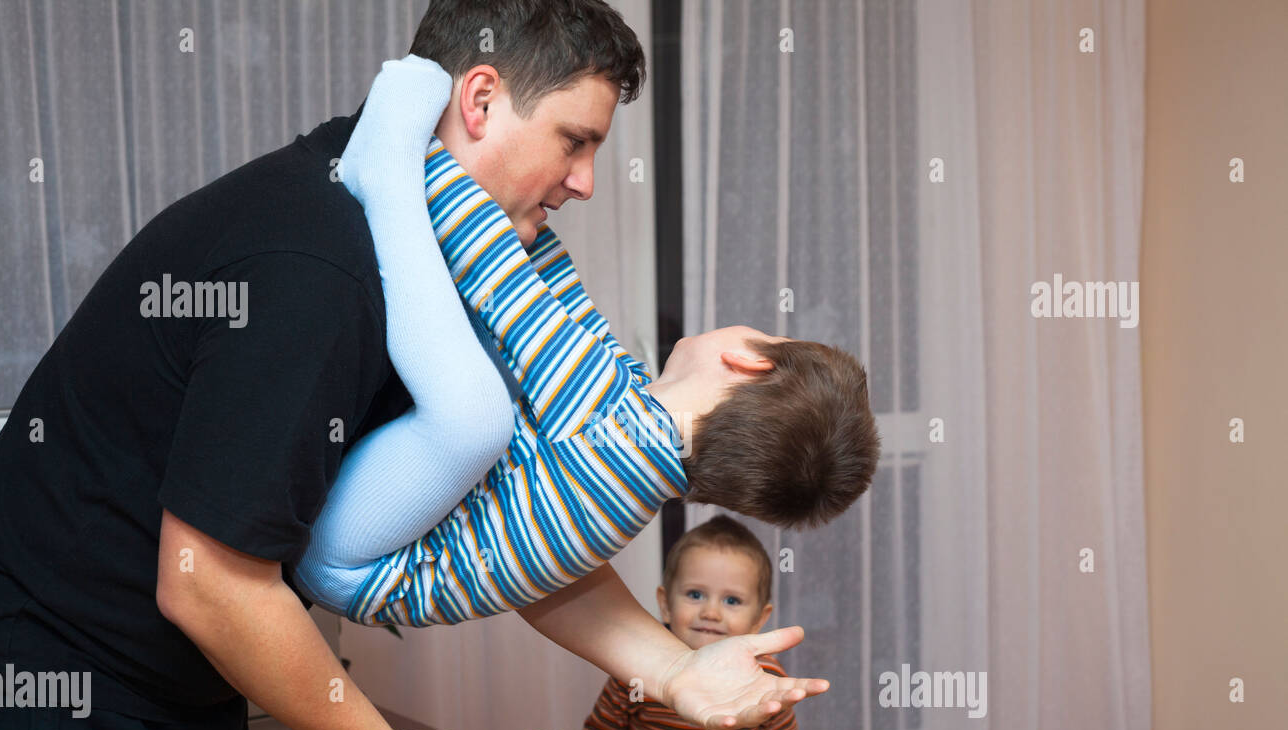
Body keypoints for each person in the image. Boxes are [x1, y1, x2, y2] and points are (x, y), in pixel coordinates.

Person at [0, 0, 829, 730]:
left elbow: (518, 538)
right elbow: (211, 585)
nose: (584, 181)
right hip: (64, 704)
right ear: (480, 100)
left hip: (183, 695)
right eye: (576, 141)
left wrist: (677, 670)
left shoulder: (417, 251)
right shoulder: (314, 266)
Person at [291, 55, 882, 633]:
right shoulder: (643, 432)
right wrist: (528, 216)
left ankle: (386, 171)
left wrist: (429, 151)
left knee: (473, 414)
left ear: (750, 361)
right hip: (382, 534)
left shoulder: (617, 436)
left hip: (349, 560)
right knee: (491, 369)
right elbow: (560, 301)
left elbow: (501, 281)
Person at [583, 516, 802, 730]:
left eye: (732, 600)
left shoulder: (767, 680)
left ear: (760, 619)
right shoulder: (637, 672)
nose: (711, 612)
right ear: (666, 603)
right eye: (695, 594)